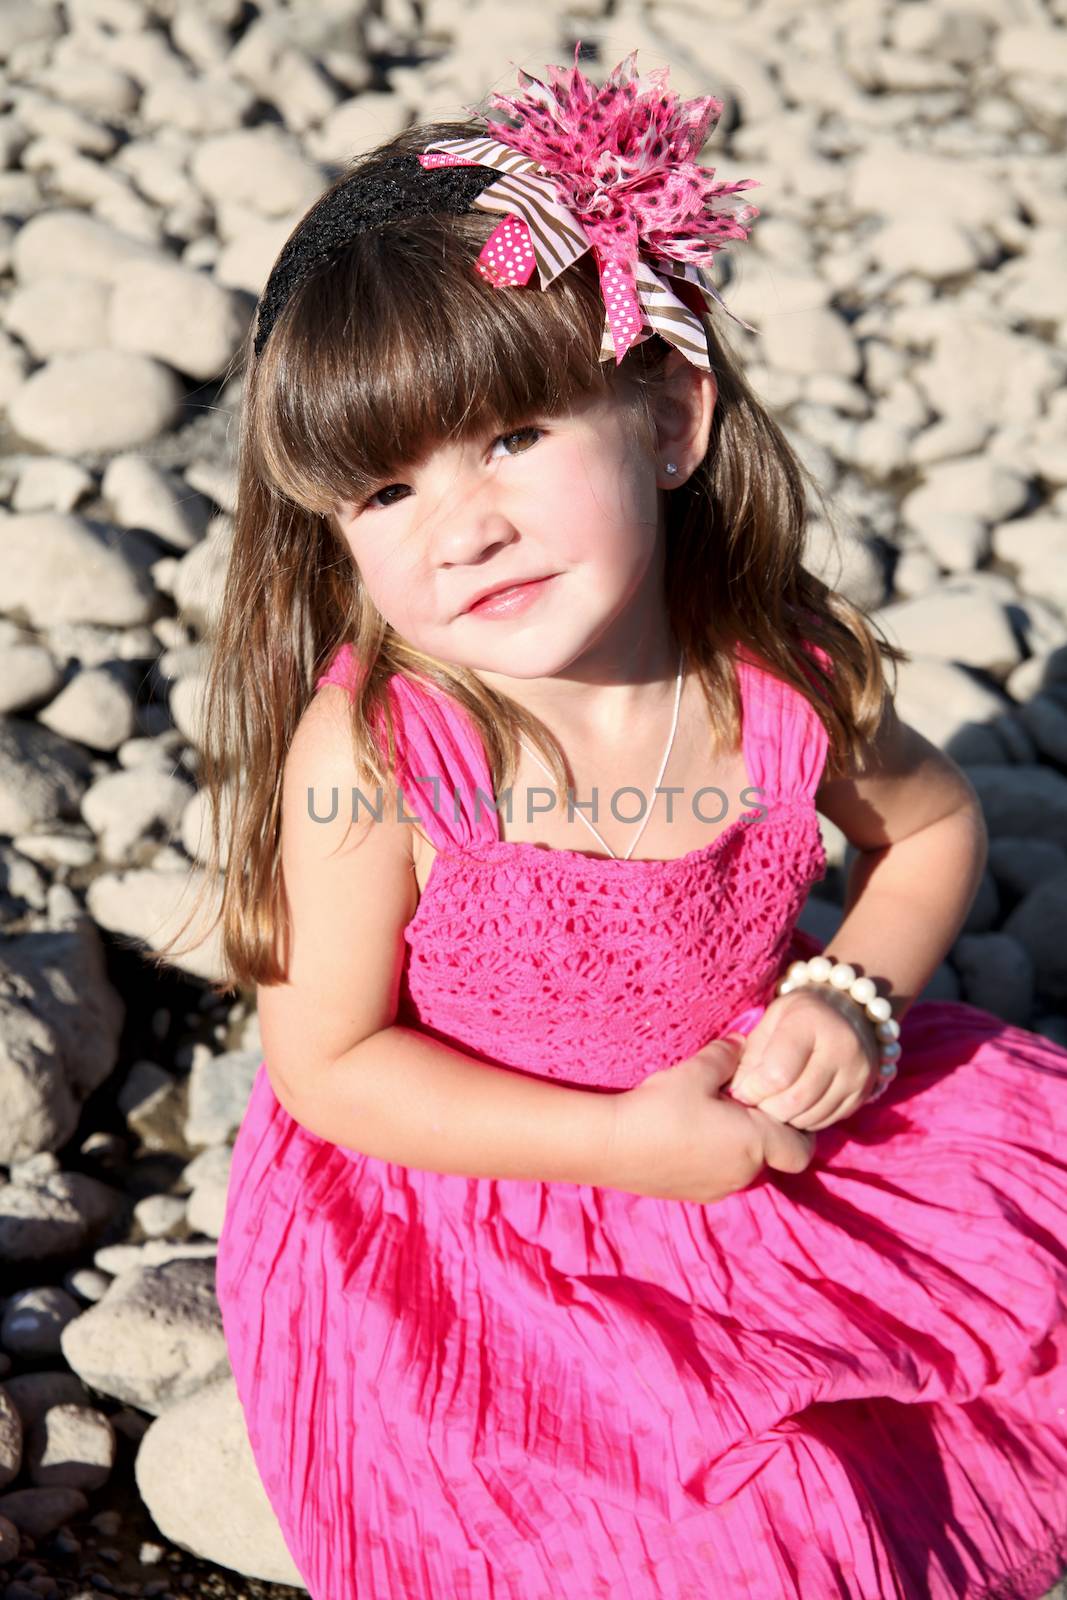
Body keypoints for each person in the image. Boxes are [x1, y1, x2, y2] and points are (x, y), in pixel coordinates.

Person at [183, 45, 1067, 1600]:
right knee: (726, 1541)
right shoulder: (388, 752)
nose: (465, 526)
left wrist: (854, 991)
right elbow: (328, 1065)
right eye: (387, 494)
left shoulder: (776, 681)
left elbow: (928, 837)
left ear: (665, 416)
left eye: (514, 437)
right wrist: (619, 1146)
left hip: (753, 1110)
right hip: (471, 1217)